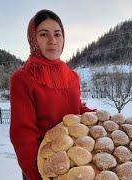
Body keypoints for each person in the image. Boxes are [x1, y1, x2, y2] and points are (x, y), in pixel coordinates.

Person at [9, 9, 95, 180]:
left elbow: (75, 109)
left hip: (73, 160)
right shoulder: (22, 78)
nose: (52, 41)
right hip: (43, 164)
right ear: (33, 39)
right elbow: (22, 135)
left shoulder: (72, 76)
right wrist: (37, 174)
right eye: (43, 34)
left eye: (57, 34)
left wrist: (96, 116)